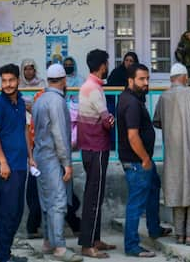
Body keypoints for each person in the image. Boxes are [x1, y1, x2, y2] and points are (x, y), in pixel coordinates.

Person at [154, 63, 190, 246]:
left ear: (172, 78)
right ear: (185, 77)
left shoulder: (164, 96)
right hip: (189, 150)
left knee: (177, 189)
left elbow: (157, 121)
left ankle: (180, 233)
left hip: (172, 153)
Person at [117, 63, 170, 258]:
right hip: (138, 161)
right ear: (130, 80)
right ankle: (132, 246)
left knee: (154, 188)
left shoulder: (132, 98)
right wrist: (145, 158)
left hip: (141, 161)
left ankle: (154, 228)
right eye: (141, 79)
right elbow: (133, 136)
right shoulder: (130, 103)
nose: (146, 83)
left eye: (147, 78)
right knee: (136, 204)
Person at [32, 64, 82, 262]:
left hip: (40, 156)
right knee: (59, 202)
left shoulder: (40, 99)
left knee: (46, 201)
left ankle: (47, 241)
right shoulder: (57, 101)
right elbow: (60, 135)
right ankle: (59, 246)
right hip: (53, 157)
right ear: (63, 80)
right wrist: (67, 163)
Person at [0, 64, 29, 262]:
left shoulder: (20, 103)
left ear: (18, 80)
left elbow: (24, 131)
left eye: (11, 80)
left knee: (18, 212)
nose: (7, 84)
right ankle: (1, 257)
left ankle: (7, 253)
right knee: (6, 213)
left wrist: (31, 157)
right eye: (4, 81)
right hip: (6, 169)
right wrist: (3, 162)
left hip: (21, 165)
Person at [77, 49, 116, 258]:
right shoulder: (94, 89)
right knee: (93, 197)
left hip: (89, 148)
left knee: (96, 195)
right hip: (97, 148)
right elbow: (106, 120)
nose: (108, 67)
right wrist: (113, 119)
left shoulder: (88, 86)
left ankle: (96, 239)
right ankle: (87, 244)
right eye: (107, 63)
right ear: (102, 66)